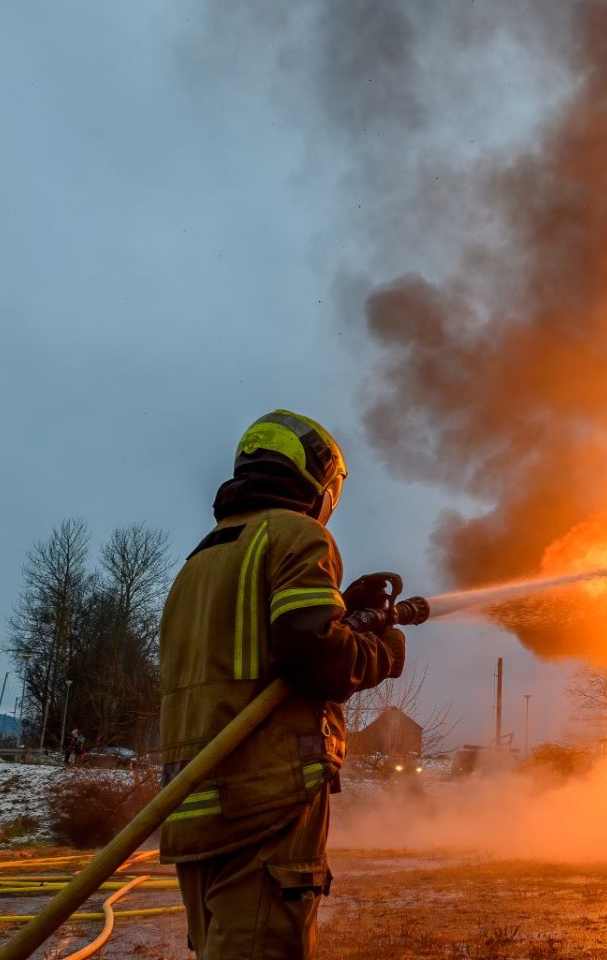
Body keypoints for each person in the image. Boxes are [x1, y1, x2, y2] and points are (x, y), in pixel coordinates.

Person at [159, 410, 405, 959]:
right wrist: (381, 654)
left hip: (194, 801)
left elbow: (267, 646)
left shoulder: (201, 560)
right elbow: (311, 651)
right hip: (266, 797)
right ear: (321, 483)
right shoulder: (298, 534)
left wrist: (345, 611)